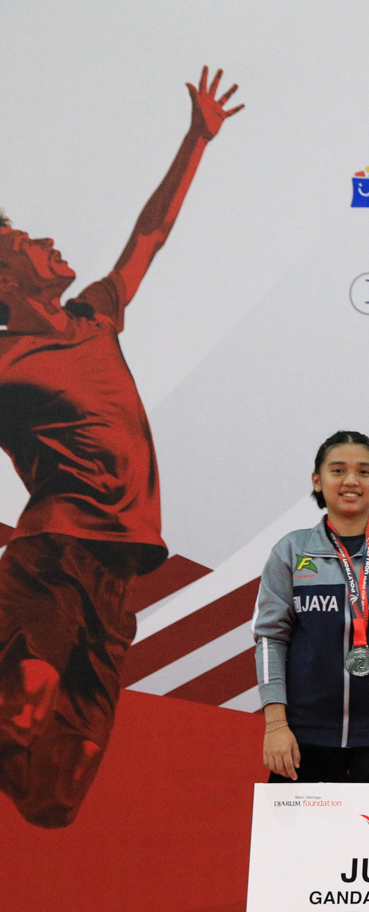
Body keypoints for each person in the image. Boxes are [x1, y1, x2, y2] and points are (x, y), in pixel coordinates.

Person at [0, 69, 241, 828]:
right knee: (26, 699)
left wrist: (197, 139)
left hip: (118, 570)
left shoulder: (94, 315)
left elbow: (150, 234)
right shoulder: (6, 362)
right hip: (54, 554)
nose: (46, 240)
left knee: (56, 796)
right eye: (25, 243)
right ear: (5, 280)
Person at [255, 431, 369, 782]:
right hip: (304, 733)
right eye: (338, 470)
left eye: (364, 472)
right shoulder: (291, 551)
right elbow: (269, 639)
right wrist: (275, 724)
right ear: (317, 480)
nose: (351, 480)